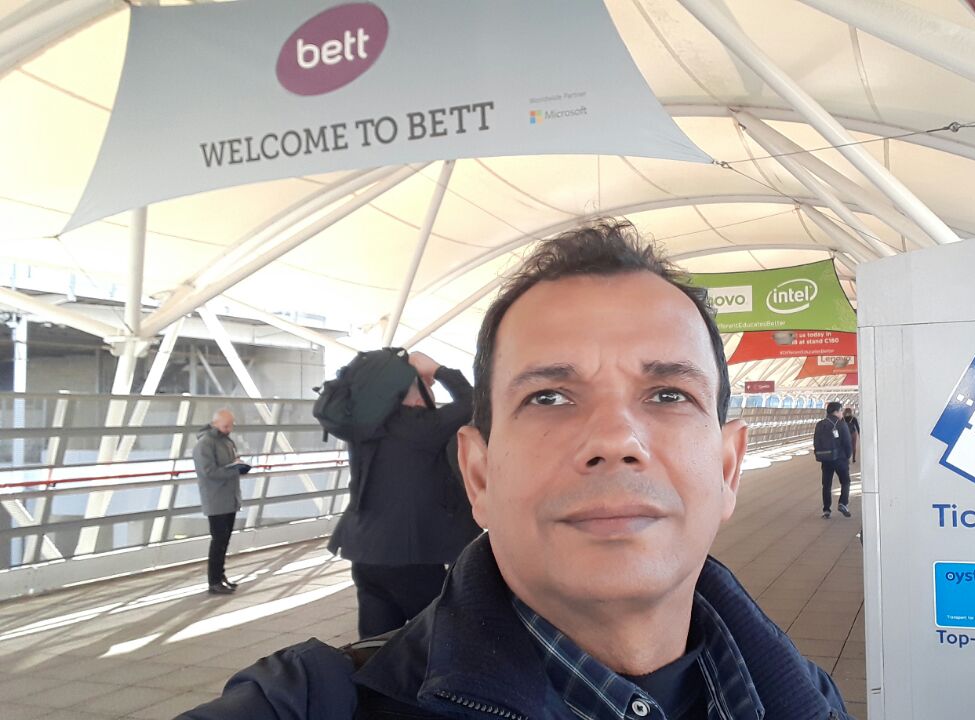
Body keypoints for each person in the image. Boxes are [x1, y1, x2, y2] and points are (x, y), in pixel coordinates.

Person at [180, 219, 853, 719]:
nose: (615, 439)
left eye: (669, 395)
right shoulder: (304, 705)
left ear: (729, 468)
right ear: (478, 475)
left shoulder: (809, 699)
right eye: (549, 397)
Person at [327, 351, 481, 638]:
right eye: (425, 387)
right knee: (441, 634)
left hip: (364, 554)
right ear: (412, 395)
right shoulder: (419, 427)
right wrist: (438, 369)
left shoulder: (366, 428)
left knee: (376, 643)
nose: (430, 395)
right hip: (408, 558)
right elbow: (473, 400)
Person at [193, 409, 249, 595]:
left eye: (231, 425)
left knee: (224, 540)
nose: (229, 429)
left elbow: (228, 463)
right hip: (215, 499)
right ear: (215, 423)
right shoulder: (205, 444)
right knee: (218, 541)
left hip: (229, 498)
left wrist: (238, 465)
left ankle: (220, 575)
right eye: (225, 426)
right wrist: (233, 470)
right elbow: (208, 472)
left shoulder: (227, 441)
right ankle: (214, 580)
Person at [816, 401, 853, 519]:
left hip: (825, 459)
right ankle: (843, 503)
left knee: (826, 484)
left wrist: (819, 454)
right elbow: (847, 442)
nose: (842, 413)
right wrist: (848, 456)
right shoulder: (841, 424)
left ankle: (826, 510)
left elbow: (816, 441)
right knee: (845, 481)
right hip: (840, 459)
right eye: (841, 411)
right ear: (836, 412)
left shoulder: (820, 424)